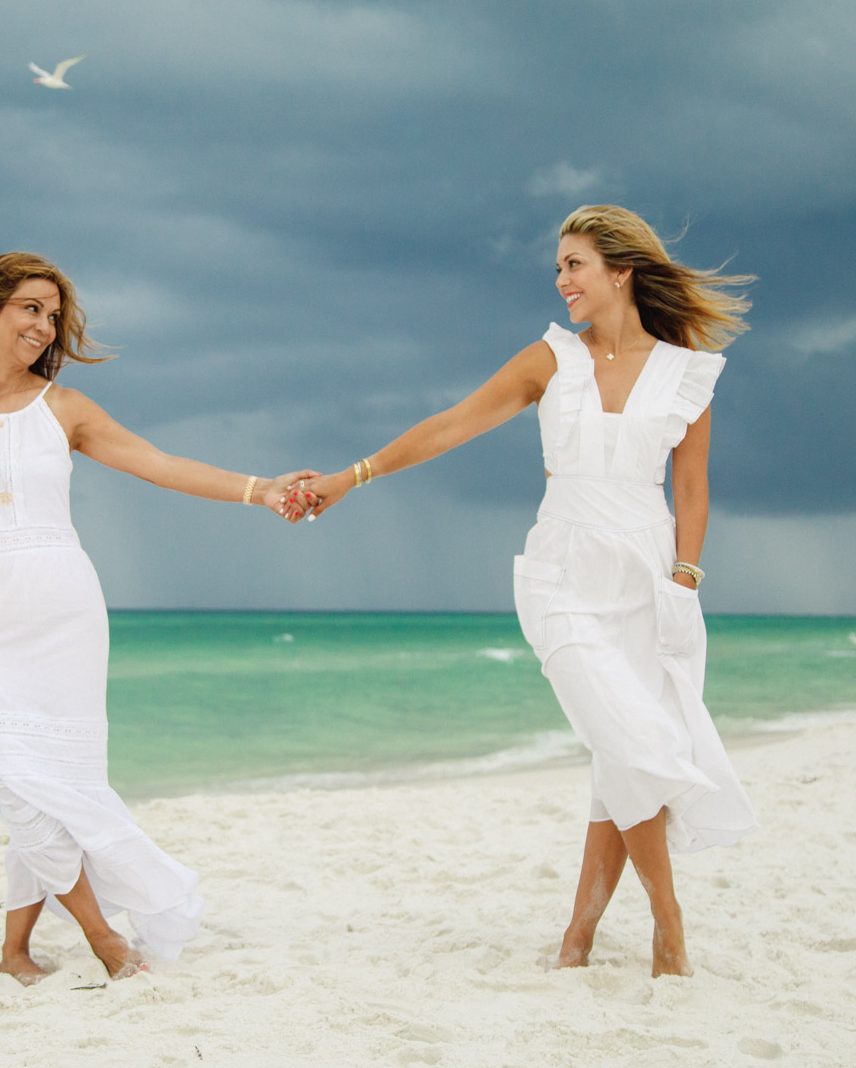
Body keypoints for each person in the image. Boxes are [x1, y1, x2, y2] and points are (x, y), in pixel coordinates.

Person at [289, 205, 758, 977]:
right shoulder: (550, 360)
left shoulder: (686, 373)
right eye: (559, 266)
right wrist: (352, 476)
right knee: (632, 742)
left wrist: (684, 579)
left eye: (574, 264)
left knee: (621, 756)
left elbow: (695, 489)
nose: (561, 279)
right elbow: (452, 425)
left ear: (621, 270)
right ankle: (669, 924)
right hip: (562, 574)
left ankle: (576, 940)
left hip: (650, 579)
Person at [0, 252, 316, 985]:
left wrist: (260, 488)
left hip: (61, 617)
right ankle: (103, 938)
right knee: (13, 777)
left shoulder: (65, 409)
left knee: (56, 781)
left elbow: (159, 464)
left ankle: (14, 952)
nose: (43, 326)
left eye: (53, 315)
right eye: (30, 308)